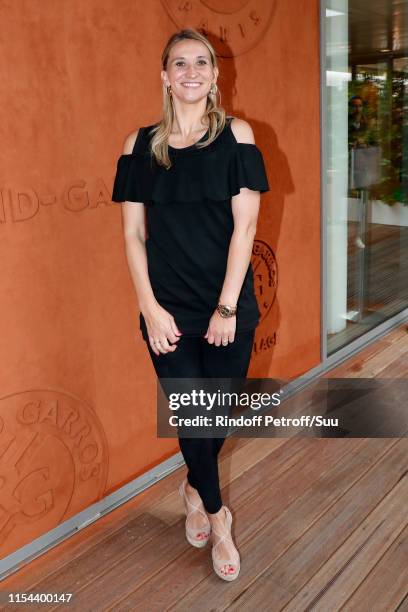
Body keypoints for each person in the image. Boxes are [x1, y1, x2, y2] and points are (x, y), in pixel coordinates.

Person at [111, 28, 269, 581]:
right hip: (168, 310)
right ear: (165, 76)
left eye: (201, 62)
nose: (192, 71)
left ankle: (192, 485)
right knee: (192, 414)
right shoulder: (139, 146)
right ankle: (219, 515)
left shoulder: (239, 137)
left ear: (215, 75)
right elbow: (133, 236)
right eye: (180, 64)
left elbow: (245, 229)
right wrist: (150, 308)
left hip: (226, 306)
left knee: (215, 416)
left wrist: (226, 308)